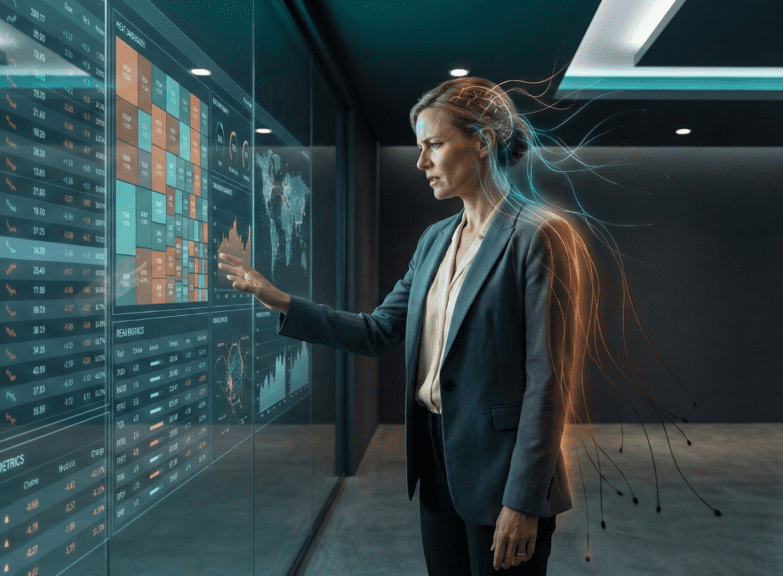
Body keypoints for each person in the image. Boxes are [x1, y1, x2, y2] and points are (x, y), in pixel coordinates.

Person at [219, 77, 585, 575]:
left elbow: (548, 382)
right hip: (435, 460)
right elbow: (377, 331)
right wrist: (281, 301)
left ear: (482, 141)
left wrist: (523, 500)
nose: (421, 162)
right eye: (419, 148)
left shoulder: (539, 235)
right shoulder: (434, 239)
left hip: (502, 468)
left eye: (434, 145)